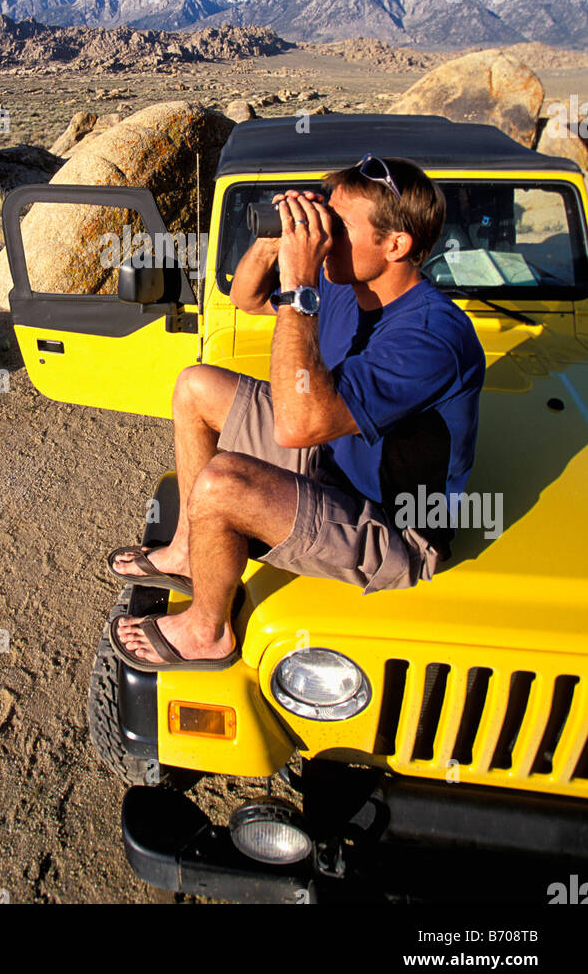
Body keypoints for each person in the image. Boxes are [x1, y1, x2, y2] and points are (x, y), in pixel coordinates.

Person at [108, 154, 487, 672]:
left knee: (221, 485)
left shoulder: (432, 335)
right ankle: (188, 550)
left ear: (395, 245)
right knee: (195, 385)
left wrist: (302, 285)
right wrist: (275, 243)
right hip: (331, 457)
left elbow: (296, 426)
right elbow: (246, 296)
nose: (323, 233)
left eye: (339, 225)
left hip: (393, 528)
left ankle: (208, 631)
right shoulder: (347, 283)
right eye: (322, 218)